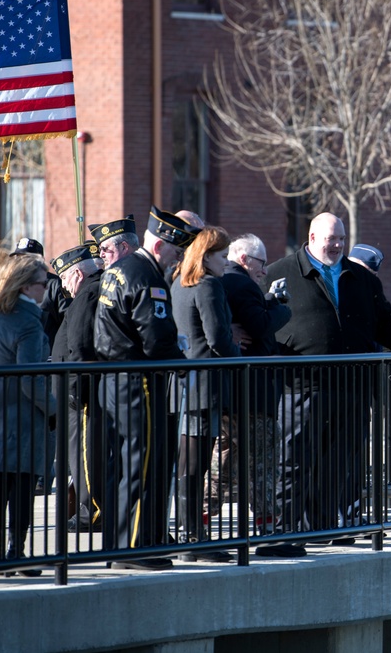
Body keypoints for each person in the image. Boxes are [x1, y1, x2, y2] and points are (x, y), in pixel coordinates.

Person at [261, 212, 391, 550]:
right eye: (330, 238)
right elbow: (257, 318)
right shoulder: (280, 273)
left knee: (340, 463)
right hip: (301, 387)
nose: (336, 245)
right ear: (311, 238)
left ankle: (324, 528)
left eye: (340, 238)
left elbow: (386, 318)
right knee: (294, 462)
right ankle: (284, 533)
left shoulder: (361, 278)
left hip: (351, 387)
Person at [94, 205, 200, 571]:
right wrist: (181, 361)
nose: (178, 259)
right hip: (139, 380)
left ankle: (124, 543)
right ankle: (135, 548)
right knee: (140, 464)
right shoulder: (147, 277)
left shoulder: (119, 270)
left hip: (114, 377)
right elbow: (156, 338)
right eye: (175, 251)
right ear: (159, 248)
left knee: (124, 464)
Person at [0, 254, 56, 577]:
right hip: (21, 415)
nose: (46, 289)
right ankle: (16, 553)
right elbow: (31, 378)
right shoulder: (28, 322)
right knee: (21, 486)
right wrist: (52, 410)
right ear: (26, 286)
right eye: (42, 284)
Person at [212, 233, 292, 539]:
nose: (264, 269)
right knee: (262, 466)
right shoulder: (241, 283)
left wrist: (268, 300)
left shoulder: (222, 282)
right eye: (261, 262)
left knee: (223, 461)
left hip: (232, 394)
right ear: (245, 259)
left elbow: (249, 318)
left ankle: (199, 522)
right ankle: (268, 531)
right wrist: (282, 307)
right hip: (255, 395)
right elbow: (260, 327)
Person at [170, 225, 237, 563]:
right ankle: (194, 537)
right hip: (205, 386)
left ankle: (189, 533)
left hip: (184, 385)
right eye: (223, 256)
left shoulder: (178, 284)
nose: (227, 262)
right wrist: (241, 360)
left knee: (186, 463)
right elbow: (218, 340)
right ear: (207, 257)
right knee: (195, 465)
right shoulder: (208, 286)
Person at [50, 242, 108, 534]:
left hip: (82, 392)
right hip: (79, 390)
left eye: (64, 279)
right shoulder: (88, 291)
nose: (64, 287)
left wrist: (75, 389)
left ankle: (92, 512)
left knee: (85, 455)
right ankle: (88, 507)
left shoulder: (88, 293)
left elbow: (82, 345)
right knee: (79, 454)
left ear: (76, 275)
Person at [10, 238, 67, 496]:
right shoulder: (12, 288)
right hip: (20, 364)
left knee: (48, 422)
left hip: (47, 363)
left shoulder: (52, 285)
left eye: (26, 257)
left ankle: (45, 473)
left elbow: (67, 320)